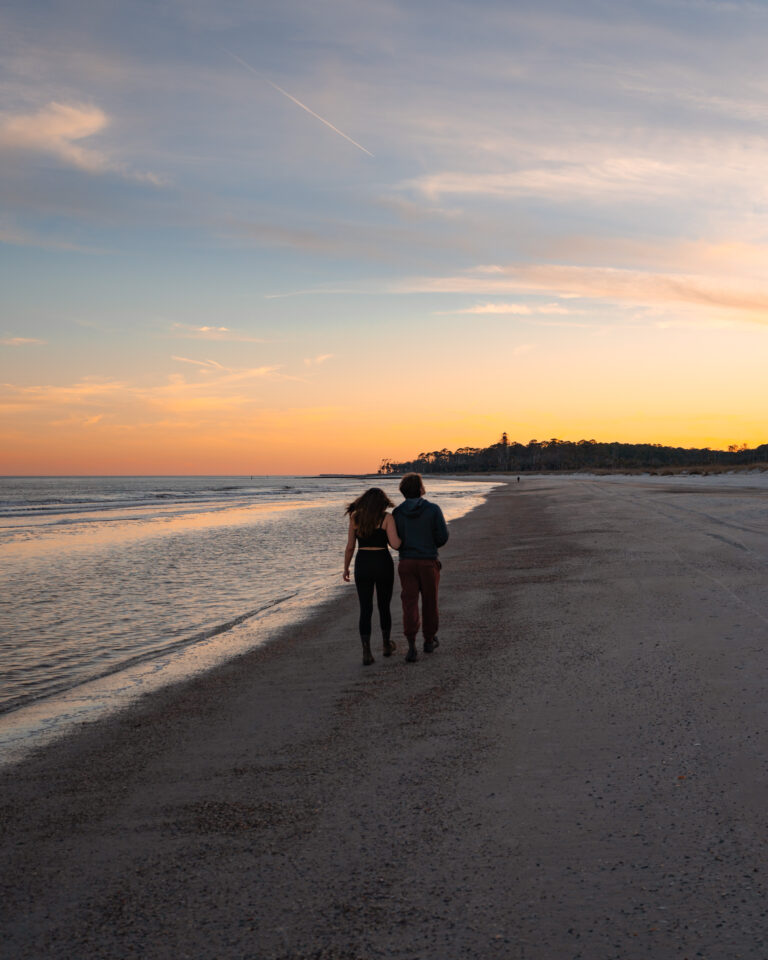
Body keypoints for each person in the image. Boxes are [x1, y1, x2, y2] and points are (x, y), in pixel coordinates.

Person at [393, 473, 448, 663]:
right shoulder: (433, 510)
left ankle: (411, 645)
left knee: (409, 603)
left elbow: (395, 540)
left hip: (406, 562)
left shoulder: (398, 513)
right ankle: (429, 640)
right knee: (430, 601)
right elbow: (442, 537)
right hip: (427, 561)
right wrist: (428, 543)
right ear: (420, 489)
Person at [343, 487, 401, 666]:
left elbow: (350, 546)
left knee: (365, 608)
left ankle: (366, 652)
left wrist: (345, 568)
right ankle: (385, 645)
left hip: (363, 563)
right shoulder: (387, 518)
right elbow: (396, 544)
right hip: (382, 562)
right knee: (384, 606)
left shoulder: (355, 518)